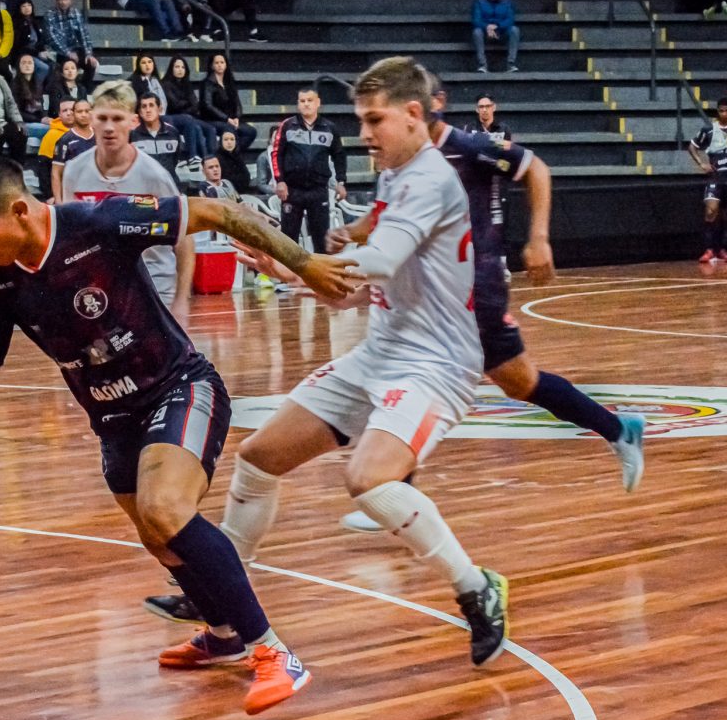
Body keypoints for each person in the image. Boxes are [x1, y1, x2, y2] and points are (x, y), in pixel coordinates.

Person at [0, 153, 361, 716]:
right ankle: (221, 634)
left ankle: (273, 652)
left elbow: (217, 211)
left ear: (19, 209)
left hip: (180, 387)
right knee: (156, 535)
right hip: (113, 420)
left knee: (167, 510)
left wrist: (305, 263)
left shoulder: (99, 224)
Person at [144, 56, 511, 669]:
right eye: (360, 120)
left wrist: (292, 255)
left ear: (415, 115)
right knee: (259, 458)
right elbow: (356, 289)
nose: (364, 134)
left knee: (369, 480)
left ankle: (477, 589)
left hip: (434, 366)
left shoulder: (430, 181)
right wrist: (291, 273)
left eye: (375, 120)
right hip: (382, 351)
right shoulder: (395, 177)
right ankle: (226, 613)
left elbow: (377, 264)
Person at [336, 76, 646, 533]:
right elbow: (383, 216)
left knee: (449, 376)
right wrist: (351, 234)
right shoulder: (398, 160)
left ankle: (393, 488)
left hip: (473, 289)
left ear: (428, 106)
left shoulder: (471, 147)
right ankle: (619, 430)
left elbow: (537, 170)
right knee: (502, 381)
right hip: (429, 288)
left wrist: (539, 238)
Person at [63, 80, 193, 323]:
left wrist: (180, 300)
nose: (109, 127)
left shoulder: (155, 176)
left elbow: (185, 240)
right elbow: (72, 236)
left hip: (155, 283)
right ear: (91, 119)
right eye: (102, 118)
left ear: (133, 121)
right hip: (103, 285)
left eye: (117, 118)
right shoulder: (73, 172)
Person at [270, 85, 347, 252]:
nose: (306, 104)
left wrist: (341, 181)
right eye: (302, 101)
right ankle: (288, 275)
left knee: (321, 237)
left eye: (310, 100)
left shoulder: (330, 128)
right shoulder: (288, 125)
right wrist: (280, 181)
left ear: (318, 103)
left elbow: (339, 155)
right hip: (292, 190)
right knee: (288, 237)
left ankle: (320, 276)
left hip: (318, 190)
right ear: (298, 104)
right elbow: (276, 154)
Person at [689, 96, 727, 262]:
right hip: (716, 176)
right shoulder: (708, 130)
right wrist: (701, 163)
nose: (723, 113)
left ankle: (722, 248)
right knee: (711, 210)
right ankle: (709, 249)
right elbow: (692, 146)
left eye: (726, 111)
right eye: (720, 110)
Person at [162, 54, 214, 168]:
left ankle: (213, 159)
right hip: (174, 117)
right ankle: (196, 157)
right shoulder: (166, 84)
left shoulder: (187, 84)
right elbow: (174, 105)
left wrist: (186, 105)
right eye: (177, 67)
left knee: (210, 129)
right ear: (172, 68)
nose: (180, 70)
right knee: (195, 126)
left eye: (182, 67)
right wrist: (188, 104)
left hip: (189, 116)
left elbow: (195, 105)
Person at [199, 53, 255, 153]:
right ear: (212, 66)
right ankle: (229, 157)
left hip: (231, 120)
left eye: (222, 62)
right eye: (216, 63)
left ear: (226, 65)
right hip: (213, 120)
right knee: (229, 129)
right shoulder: (207, 83)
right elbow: (208, 105)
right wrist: (226, 119)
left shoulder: (229, 82)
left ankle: (233, 155)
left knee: (250, 131)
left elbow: (237, 103)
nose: (220, 65)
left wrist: (237, 117)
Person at [45, 0, 98, 87]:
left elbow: (84, 34)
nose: (63, 2)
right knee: (69, 63)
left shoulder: (76, 13)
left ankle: (84, 90)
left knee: (91, 63)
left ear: (71, 0)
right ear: (56, 1)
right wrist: (68, 53)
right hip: (58, 52)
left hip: (75, 49)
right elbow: (52, 38)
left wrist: (88, 54)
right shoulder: (50, 15)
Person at [131, 92, 185, 185]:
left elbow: (175, 160)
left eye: (151, 105)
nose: (148, 110)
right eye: (144, 106)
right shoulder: (133, 136)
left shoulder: (172, 133)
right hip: (145, 188)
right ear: (140, 112)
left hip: (170, 186)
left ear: (159, 109)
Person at [51, 98, 94, 202]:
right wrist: (58, 201)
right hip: (73, 195)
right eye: (79, 111)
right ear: (74, 114)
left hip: (97, 192)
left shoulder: (100, 137)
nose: (83, 115)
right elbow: (56, 173)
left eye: (87, 111)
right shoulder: (65, 140)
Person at [472, 0, 520, 73]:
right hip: (485, 32)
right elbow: (476, 20)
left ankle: (511, 64)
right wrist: (487, 27)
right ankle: (482, 65)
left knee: (515, 30)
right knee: (476, 32)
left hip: (502, 32)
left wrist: (497, 26)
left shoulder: (507, 1)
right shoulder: (479, 1)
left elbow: (510, 19)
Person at [118, 0, 185, 42]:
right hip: (129, 0)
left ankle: (178, 31)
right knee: (153, 1)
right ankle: (166, 33)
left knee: (167, 2)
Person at [36, 98, 76, 198]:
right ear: (59, 114)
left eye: (72, 110)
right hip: (60, 192)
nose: (69, 113)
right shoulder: (51, 136)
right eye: (64, 110)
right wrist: (49, 196)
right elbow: (44, 169)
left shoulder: (89, 133)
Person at [11, 0, 51, 84]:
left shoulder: (35, 22)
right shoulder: (16, 24)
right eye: (23, 6)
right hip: (22, 55)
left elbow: (40, 41)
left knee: (54, 65)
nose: (27, 8)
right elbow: (19, 46)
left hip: (36, 53)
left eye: (29, 5)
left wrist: (43, 50)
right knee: (43, 68)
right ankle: (34, 89)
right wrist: (38, 53)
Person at [12, 54, 50, 141]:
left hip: (38, 120)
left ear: (34, 66)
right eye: (24, 63)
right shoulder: (15, 85)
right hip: (24, 123)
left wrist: (45, 116)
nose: (27, 65)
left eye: (30, 63)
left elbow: (45, 104)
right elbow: (17, 112)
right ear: (19, 66)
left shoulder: (38, 84)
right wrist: (40, 119)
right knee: (52, 130)